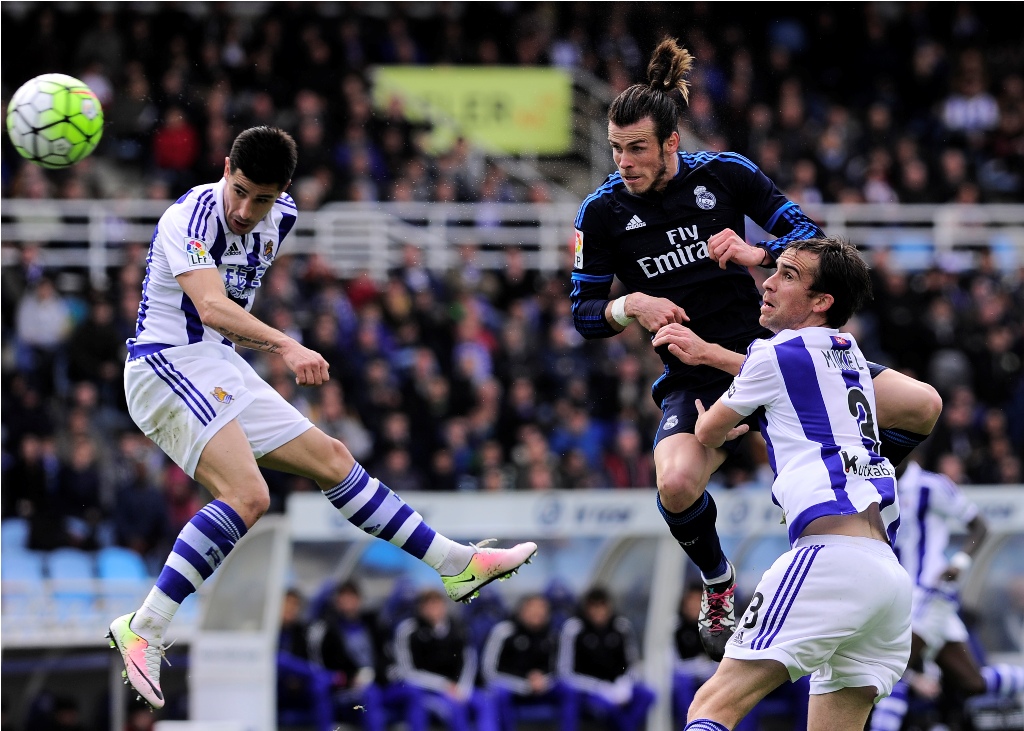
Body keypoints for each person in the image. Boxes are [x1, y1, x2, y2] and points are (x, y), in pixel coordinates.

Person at [106, 126, 537, 709]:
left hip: (216, 362)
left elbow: (228, 311)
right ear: (225, 168)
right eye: (238, 190)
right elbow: (209, 304)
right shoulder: (187, 218)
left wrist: (265, 346)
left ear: (281, 192)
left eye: (260, 197)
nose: (244, 208)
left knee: (333, 459)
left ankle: (455, 564)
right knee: (248, 495)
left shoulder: (281, 216)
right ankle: (146, 626)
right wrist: (286, 345)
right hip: (164, 363)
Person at [570, 37, 940, 660]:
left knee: (922, 405)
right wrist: (630, 305)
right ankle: (718, 582)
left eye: (637, 148)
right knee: (677, 482)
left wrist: (756, 252)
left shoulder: (728, 175)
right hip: (697, 378)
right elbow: (584, 315)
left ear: (670, 144)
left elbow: (812, 240)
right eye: (615, 148)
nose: (624, 162)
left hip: (783, 362)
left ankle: (862, 480)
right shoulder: (601, 213)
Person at [677, 237, 912, 731]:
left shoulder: (773, 353)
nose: (768, 281)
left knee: (710, 706)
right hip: (887, 575)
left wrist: (714, 423)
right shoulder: (851, 354)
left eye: (787, 275)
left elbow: (708, 430)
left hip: (830, 558)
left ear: (821, 302)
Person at [868, 461, 1024, 731]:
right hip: (899, 596)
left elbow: (980, 526)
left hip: (929, 592)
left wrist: (960, 562)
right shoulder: (874, 485)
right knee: (972, 682)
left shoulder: (932, 485)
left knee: (892, 668)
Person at [391, 588, 500, 731]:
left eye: (437, 604)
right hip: (428, 691)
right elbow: (407, 672)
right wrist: (443, 685)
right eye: (429, 605)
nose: (434, 609)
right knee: (454, 709)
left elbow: (469, 661)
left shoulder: (459, 628)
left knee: (486, 702)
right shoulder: (408, 630)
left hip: (459, 687)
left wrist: (462, 689)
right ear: (420, 608)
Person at [556, 587, 656, 731]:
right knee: (609, 708)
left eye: (602, 606)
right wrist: (598, 687)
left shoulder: (621, 626)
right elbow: (565, 672)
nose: (598, 612)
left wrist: (625, 684)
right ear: (586, 608)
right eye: (594, 607)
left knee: (647, 695)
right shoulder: (574, 628)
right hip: (588, 691)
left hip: (618, 686)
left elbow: (632, 663)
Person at [482, 593, 578, 731]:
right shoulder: (503, 631)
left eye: (542, 610)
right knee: (499, 691)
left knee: (568, 689)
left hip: (543, 687)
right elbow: (488, 671)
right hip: (513, 687)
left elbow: (560, 669)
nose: (537, 614)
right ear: (521, 611)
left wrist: (544, 680)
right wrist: (525, 684)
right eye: (533, 609)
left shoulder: (552, 635)